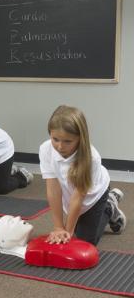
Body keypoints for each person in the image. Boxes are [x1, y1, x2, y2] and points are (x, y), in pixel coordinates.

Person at [40, 105, 126, 246]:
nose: (60, 146)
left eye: (67, 141)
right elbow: (53, 190)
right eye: (55, 139)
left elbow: (78, 197)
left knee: (85, 242)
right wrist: (58, 227)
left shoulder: (91, 158)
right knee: (73, 232)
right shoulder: (45, 149)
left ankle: (109, 206)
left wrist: (67, 233)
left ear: (80, 138)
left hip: (94, 195)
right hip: (70, 194)